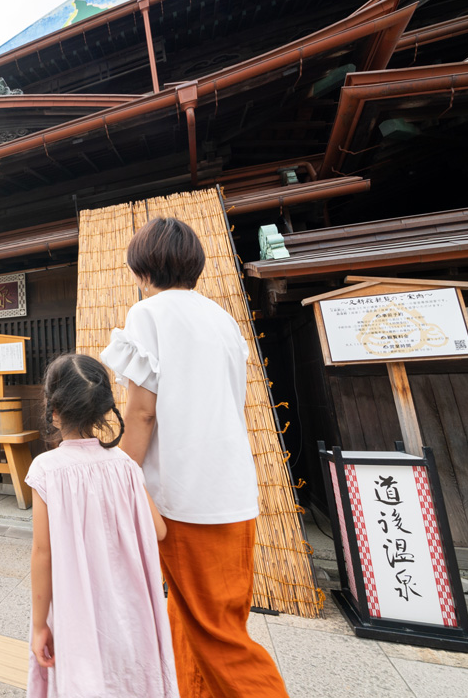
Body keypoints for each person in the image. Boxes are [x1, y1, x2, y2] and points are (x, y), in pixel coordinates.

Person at [101, 217, 288, 698]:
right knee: (197, 618)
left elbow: (142, 414)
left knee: (219, 638)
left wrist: (117, 474)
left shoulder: (149, 313)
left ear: (141, 268)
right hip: (235, 493)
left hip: (186, 498)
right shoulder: (222, 320)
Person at [26, 353, 176, 698]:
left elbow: (42, 553)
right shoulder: (123, 464)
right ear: (103, 408)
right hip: (133, 612)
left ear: (54, 409)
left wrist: (39, 626)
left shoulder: (47, 469)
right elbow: (159, 531)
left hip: (79, 612)